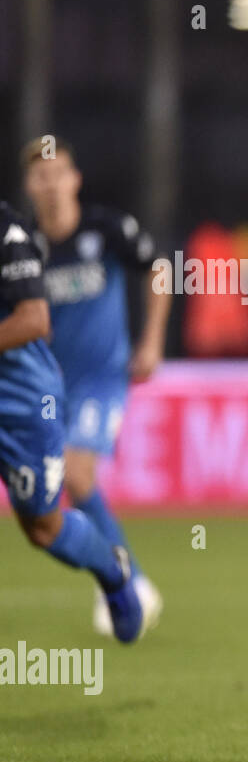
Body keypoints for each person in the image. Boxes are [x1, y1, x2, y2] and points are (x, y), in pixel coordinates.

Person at [22, 137, 168, 635]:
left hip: (103, 379)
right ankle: (125, 577)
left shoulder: (106, 229)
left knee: (78, 477)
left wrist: (150, 341)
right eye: (42, 176)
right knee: (53, 492)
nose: (52, 184)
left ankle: (131, 581)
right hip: (48, 386)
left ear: (75, 178)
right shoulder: (25, 249)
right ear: (30, 186)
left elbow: (158, 269)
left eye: (60, 172)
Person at [0, 200, 148, 640]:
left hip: (21, 400)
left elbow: (34, 319)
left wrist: (152, 341)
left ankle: (114, 569)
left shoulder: (9, 234)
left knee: (43, 529)